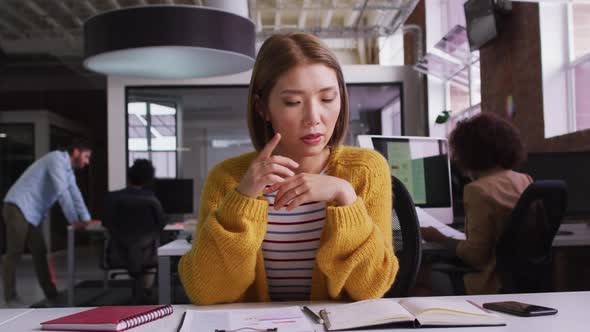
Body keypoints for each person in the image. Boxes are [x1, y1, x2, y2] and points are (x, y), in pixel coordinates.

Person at [178, 33, 398, 305]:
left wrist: (346, 198)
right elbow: (206, 292)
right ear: (263, 108)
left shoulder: (366, 170)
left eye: (328, 99)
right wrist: (243, 199)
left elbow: (371, 288)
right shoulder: (227, 178)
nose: (314, 119)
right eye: (293, 102)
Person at [422, 112, 532, 295]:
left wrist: (438, 237)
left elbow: (477, 256)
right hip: (521, 280)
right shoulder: (524, 180)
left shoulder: (478, 190)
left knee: (419, 279)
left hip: (491, 283)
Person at [2, 139, 99, 306]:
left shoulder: (68, 171)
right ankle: (10, 297)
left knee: (40, 251)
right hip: (17, 207)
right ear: (75, 152)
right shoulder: (55, 160)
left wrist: (87, 220)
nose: (87, 161)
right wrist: (74, 222)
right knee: (15, 252)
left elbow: (75, 194)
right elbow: (63, 193)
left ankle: (51, 294)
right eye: (86, 156)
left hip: (31, 214)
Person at [102, 159, 167, 303]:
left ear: (129, 176)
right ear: (150, 179)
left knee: (137, 246)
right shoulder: (152, 199)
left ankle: (141, 292)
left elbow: (106, 222)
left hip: (118, 252)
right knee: (152, 242)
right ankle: (146, 290)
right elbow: (161, 224)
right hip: (147, 254)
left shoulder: (112, 198)